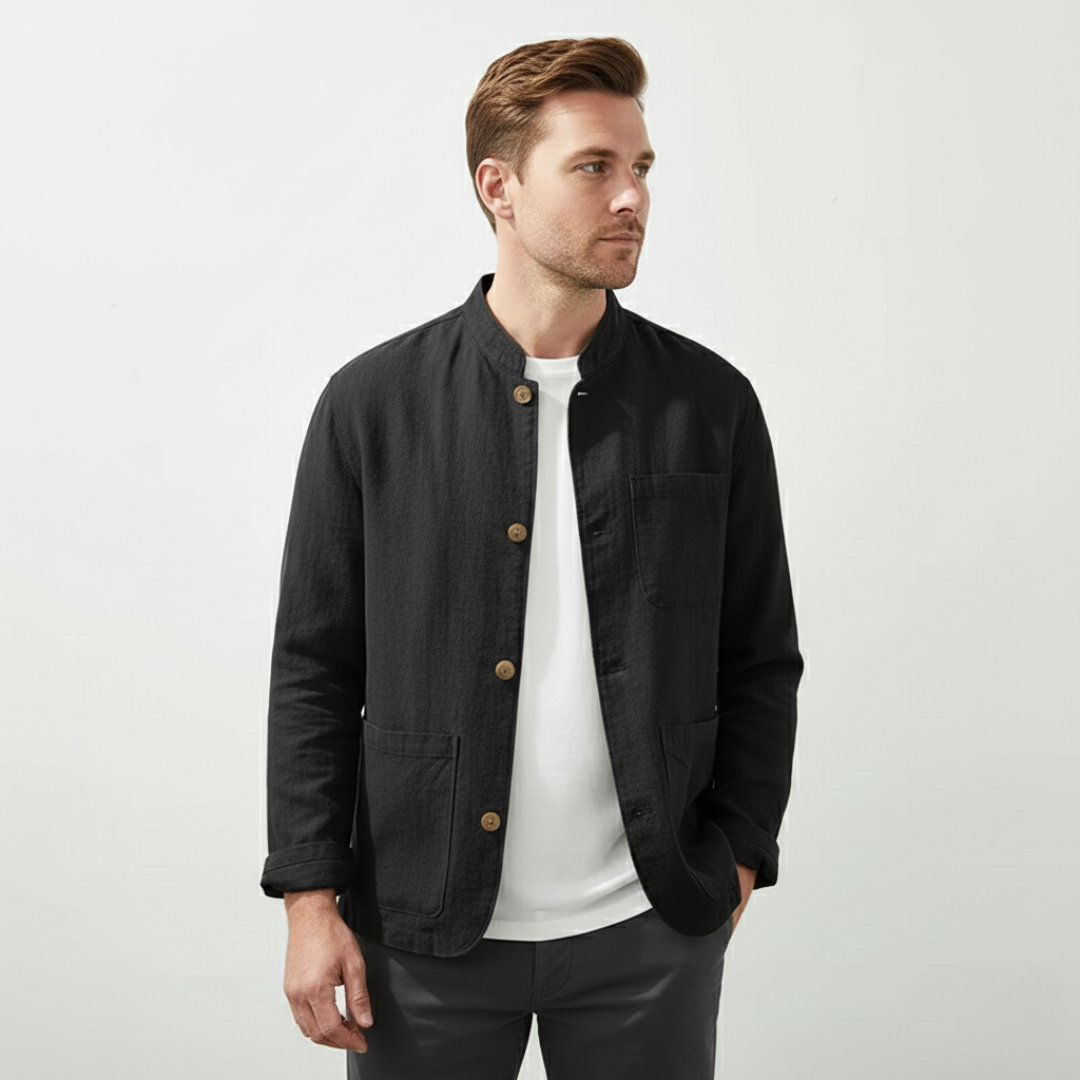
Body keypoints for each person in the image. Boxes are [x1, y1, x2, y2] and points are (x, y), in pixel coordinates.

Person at [260, 35, 804, 1080]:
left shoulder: (709, 404)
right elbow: (314, 670)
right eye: (594, 166)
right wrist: (309, 901)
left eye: (641, 167)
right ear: (498, 187)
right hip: (420, 931)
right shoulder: (372, 406)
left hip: (648, 930)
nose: (632, 197)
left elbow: (760, 655)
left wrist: (737, 855)